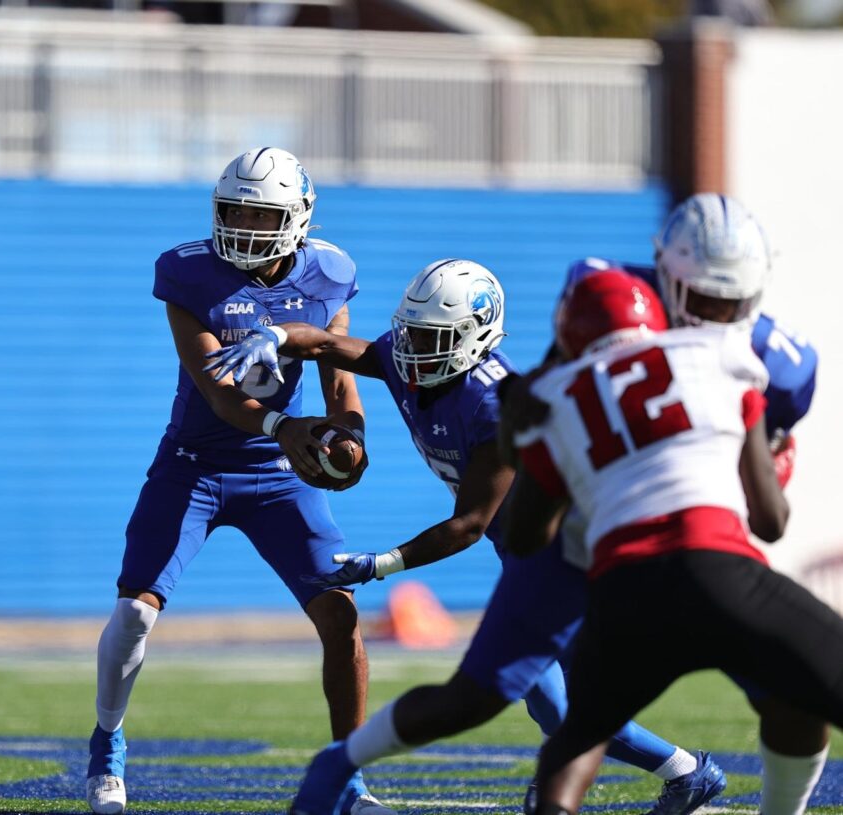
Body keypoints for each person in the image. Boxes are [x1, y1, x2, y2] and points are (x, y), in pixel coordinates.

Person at [205, 258, 723, 815]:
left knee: (545, 698)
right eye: (412, 332)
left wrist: (381, 564)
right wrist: (277, 335)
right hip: (530, 552)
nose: (414, 348)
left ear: (474, 336)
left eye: (432, 337)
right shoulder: (417, 364)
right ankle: (681, 772)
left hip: (575, 554)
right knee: (555, 701)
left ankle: (673, 772)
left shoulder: (495, 404)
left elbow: (469, 524)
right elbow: (332, 347)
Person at [85, 147, 393, 815]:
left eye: (263, 213)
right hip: (194, 465)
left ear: (298, 219)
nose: (247, 226)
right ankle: (106, 744)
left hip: (280, 475)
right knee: (135, 612)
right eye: (236, 211)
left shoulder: (329, 273)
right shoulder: (188, 274)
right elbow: (220, 392)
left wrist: (351, 435)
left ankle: (348, 779)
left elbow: (341, 378)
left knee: (340, 616)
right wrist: (288, 427)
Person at [500, 192, 824, 815]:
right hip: (612, 536)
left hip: (676, 549)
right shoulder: (617, 301)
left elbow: (764, 492)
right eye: (702, 296)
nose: (717, 313)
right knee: (554, 699)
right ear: (668, 277)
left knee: (782, 692)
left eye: (734, 300)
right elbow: (549, 394)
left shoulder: (774, 366)